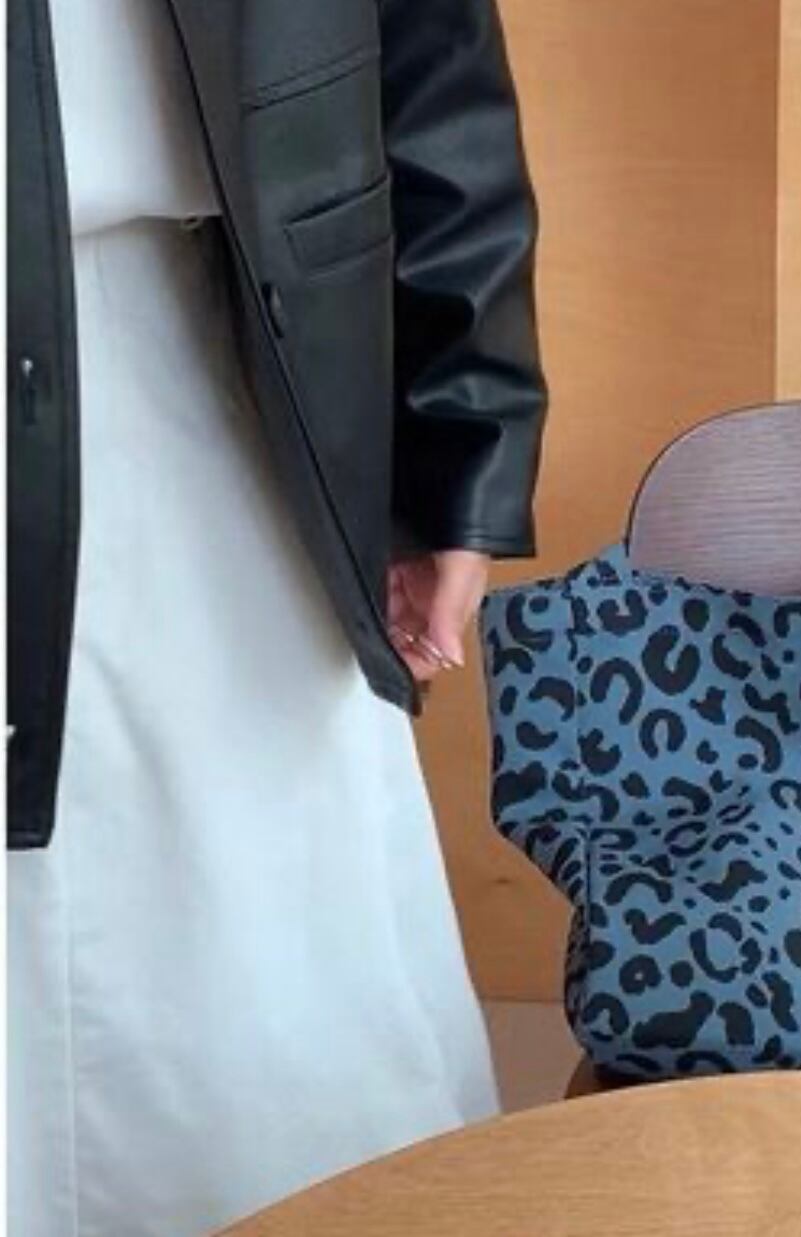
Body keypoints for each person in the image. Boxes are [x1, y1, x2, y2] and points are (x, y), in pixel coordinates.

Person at [7, 0, 546, 1232]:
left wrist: (461, 442)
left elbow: (429, 51)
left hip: (215, 387)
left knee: (270, 1017)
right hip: (196, 372)